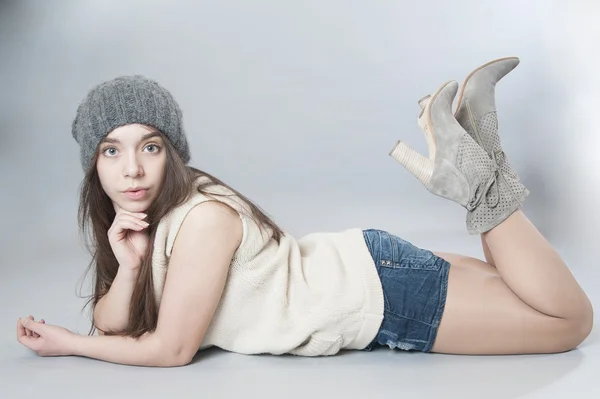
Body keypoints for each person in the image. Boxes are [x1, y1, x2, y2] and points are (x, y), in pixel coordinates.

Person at [17, 57, 594, 366]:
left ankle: (478, 185)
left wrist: (71, 343)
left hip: (383, 296)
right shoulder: (150, 226)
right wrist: (132, 262)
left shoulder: (203, 220)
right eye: (111, 151)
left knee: (569, 323)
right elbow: (119, 322)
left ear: (173, 152)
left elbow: (170, 350)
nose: (133, 170)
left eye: (150, 146)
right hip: (371, 267)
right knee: (529, 292)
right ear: (93, 165)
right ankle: (481, 151)